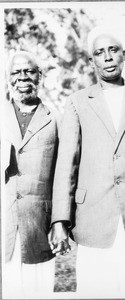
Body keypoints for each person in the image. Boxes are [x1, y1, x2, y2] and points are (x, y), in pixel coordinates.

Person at [50, 25, 125, 297]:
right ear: (92, 61)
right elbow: (65, 165)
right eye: (99, 53)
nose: (107, 57)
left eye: (113, 50)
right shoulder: (77, 102)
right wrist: (60, 220)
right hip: (92, 219)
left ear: (123, 56)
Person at [2, 50, 63, 298]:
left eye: (29, 71)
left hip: (39, 225)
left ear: (40, 75)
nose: (22, 77)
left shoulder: (56, 120)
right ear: (8, 78)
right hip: (4, 222)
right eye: (16, 72)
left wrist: (60, 223)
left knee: (39, 290)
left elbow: (63, 178)